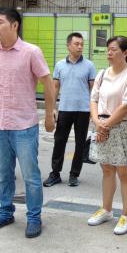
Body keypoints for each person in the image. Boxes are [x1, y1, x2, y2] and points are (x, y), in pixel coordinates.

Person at [0, 7, 56, 238]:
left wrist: (49, 114)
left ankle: (34, 217)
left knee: (30, 176)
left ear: (14, 25)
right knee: (3, 174)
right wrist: (0, 106)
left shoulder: (31, 52)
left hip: (24, 125)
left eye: (0, 22)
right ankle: (5, 212)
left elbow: (48, 83)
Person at [86, 36, 127, 235]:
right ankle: (106, 209)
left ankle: (126, 215)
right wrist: (97, 122)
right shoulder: (102, 74)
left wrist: (105, 126)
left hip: (120, 127)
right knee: (107, 169)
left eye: (114, 49)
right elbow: (93, 100)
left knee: (124, 172)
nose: (109, 53)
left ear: (125, 53)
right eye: (108, 49)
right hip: (101, 124)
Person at [43, 32, 96, 187]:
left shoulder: (89, 65)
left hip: (83, 111)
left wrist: (93, 111)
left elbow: (93, 90)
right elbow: (55, 88)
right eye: (76, 44)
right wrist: (53, 108)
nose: (80, 47)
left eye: (82, 44)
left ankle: (74, 174)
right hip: (65, 109)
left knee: (80, 144)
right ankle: (55, 173)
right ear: (68, 46)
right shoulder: (60, 65)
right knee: (59, 141)